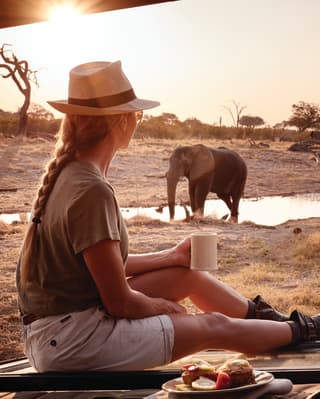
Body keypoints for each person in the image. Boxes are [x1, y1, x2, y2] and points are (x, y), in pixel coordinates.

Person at [16, 60, 320, 372]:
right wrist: (165, 310)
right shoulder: (90, 189)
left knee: (186, 275)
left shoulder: (70, 174)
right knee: (210, 326)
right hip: (74, 340)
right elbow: (120, 302)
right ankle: (303, 331)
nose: (138, 121)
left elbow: (100, 266)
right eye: (137, 114)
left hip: (60, 328)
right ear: (121, 121)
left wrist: (170, 256)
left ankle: (277, 326)